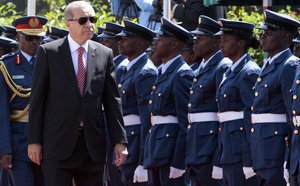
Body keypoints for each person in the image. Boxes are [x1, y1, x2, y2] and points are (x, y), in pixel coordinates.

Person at [27, 1, 128, 186]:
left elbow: (112, 100)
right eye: (83, 20)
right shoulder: (49, 52)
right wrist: (34, 141)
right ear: (68, 24)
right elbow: (37, 100)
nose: (89, 24)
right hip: (57, 143)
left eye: (92, 19)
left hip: (92, 144)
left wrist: (119, 141)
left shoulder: (104, 54)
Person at [251, 10, 300, 186]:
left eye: (269, 33)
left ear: (285, 36)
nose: (263, 37)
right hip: (262, 147)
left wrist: (289, 155)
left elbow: (292, 115)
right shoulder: (269, 64)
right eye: (263, 32)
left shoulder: (289, 65)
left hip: (277, 150)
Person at [143, 17, 194, 186]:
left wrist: (179, 162)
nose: (155, 41)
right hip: (156, 147)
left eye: (160, 38)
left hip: (170, 151)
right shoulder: (163, 72)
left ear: (173, 44)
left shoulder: (181, 74)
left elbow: (185, 121)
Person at [0, 15, 48, 186]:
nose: (34, 42)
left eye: (38, 38)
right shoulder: (7, 66)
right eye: (29, 37)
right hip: (19, 141)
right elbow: (2, 111)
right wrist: (4, 149)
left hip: (46, 139)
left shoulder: (51, 62)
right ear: (18, 37)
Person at [186, 15, 232, 186]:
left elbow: (223, 114)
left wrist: (218, 157)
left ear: (216, 42)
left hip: (211, 146)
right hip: (197, 144)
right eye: (195, 38)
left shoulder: (222, 66)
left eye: (201, 38)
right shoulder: (201, 67)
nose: (195, 42)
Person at [216, 18, 261, 185]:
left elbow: (252, 118)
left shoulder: (249, 72)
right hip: (228, 149)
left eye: (226, 40)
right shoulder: (229, 71)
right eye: (221, 40)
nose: (221, 44)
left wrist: (249, 159)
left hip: (240, 151)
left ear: (241, 43)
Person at [117, 19, 157, 186]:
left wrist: (142, 160)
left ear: (140, 43)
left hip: (135, 142)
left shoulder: (145, 72)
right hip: (127, 137)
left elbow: (147, 120)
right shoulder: (130, 68)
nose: (121, 41)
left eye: (126, 38)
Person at [98, 21, 126, 186]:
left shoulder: (121, 67)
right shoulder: (112, 64)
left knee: (115, 176)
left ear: (118, 42)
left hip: (116, 126)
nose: (103, 45)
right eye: (102, 41)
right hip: (107, 125)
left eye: (107, 42)